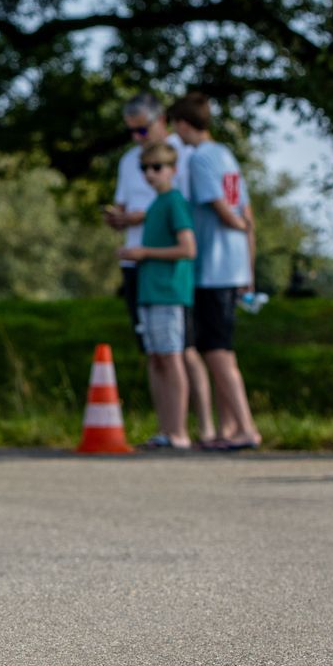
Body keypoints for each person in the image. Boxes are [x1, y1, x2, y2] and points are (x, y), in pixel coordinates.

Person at [103, 93, 215, 442]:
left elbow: (185, 221)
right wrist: (121, 220)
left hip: (168, 272)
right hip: (141, 266)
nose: (138, 139)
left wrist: (144, 222)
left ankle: (200, 428)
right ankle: (168, 427)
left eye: (143, 130)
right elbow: (126, 203)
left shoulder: (184, 158)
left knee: (184, 349)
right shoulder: (128, 161)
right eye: (132, 133)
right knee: (155, 352)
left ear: (161, 121)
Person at [167, 92, 262, 451]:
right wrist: (248, 263)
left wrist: (234, 224)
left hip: (213, 267)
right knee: (219, 347)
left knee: (217, 351)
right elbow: (247, 209)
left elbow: (221, 206)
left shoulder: (201, 158)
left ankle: (246, 427)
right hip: (234, 266)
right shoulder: (227, 155)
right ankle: (229, 428)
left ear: (183, 125)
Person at [118, 141, 197, 449]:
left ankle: (179, 431)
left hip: (168, 291)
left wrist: (144, 252)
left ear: (172, 170)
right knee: (155, 358)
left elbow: (188, 248)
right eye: (145, 169)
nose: (150, 174)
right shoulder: (155, 203)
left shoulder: (174, 201)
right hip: (149, 290)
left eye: (156, 167)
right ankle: (165, 428)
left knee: (171, 357)